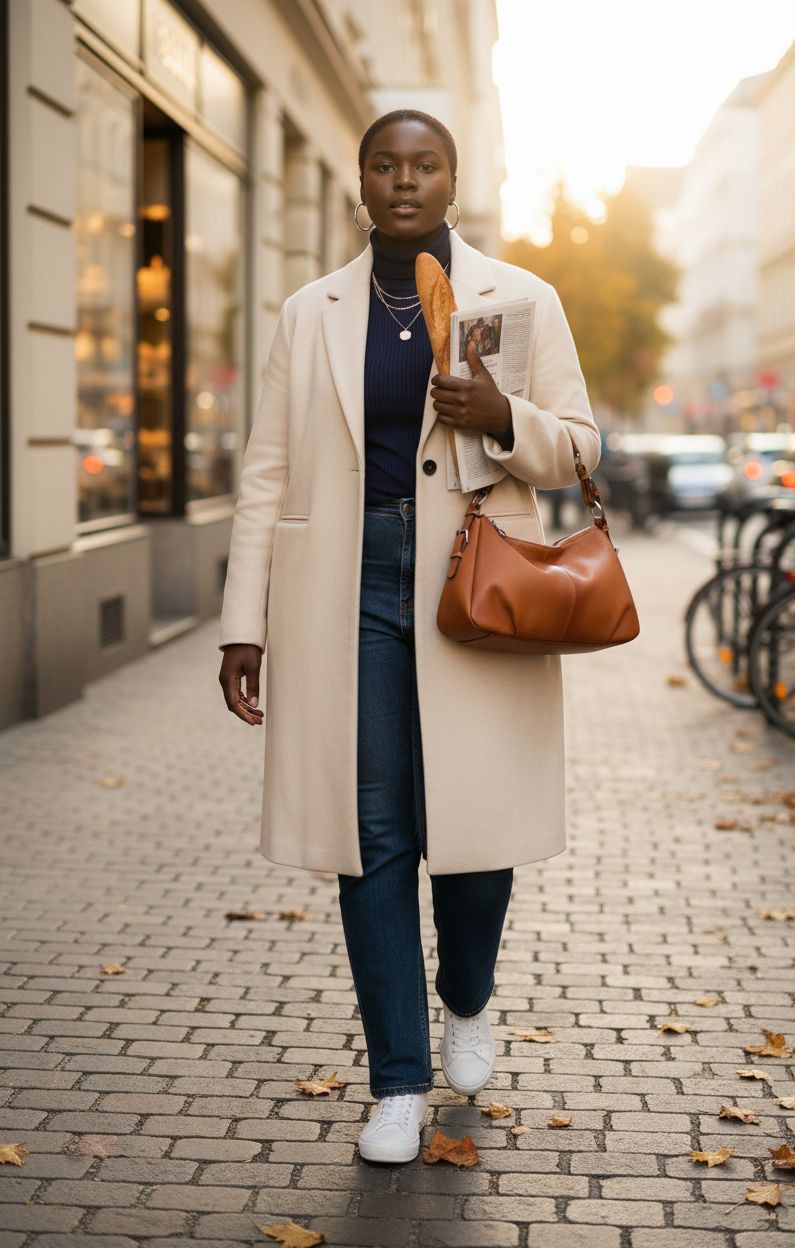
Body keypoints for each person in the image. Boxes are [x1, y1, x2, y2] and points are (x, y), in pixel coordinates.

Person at [217, 109, 601, 1165]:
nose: (403, 180)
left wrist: (500, 415)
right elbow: (266, 473)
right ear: (360, 181)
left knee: (473, 838)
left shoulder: (519, 298)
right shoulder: (310, 311)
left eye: (423, 164)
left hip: (473, 584)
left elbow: (577, 449)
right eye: (385, 163)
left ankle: (466, 998)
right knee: (370, 833)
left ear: (451, 181)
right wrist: (241, 623)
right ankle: (395, 1080)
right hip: (343, 592)